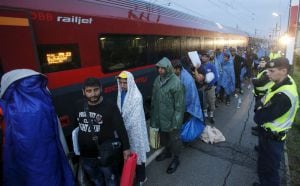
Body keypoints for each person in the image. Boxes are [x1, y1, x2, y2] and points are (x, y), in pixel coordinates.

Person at [1, 69, 74, 186]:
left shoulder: (8, 105)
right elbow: (57, 131)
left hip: (26, 164)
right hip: (51, 161)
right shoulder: (43, 97)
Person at [74, 77, 130, 185]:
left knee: (111, 180)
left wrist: (126, 148)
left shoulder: (110, 106)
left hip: (106, 155)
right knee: (96, 180)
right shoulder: (78, 105)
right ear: (83, 92)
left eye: (95, 90)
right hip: (86, 156)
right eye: (89, 91)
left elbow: (120, 128)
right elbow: (76, 127)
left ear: (101, 89)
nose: (93, 94)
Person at [253, 57, 299, 186]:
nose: (268, 73)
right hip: (267, 135)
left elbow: (258, 117)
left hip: (273, 140)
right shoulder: (284, 82)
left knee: (270, 170)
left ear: (283, 71)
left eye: (271, 70)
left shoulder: (284, 95)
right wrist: (261, 105)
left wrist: (260, 106)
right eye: (267, 70)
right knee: (263, 165)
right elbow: (262, 101)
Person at [150, 57, 185, 174]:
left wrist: (176, 122)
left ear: (168, 68)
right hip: (160, 117)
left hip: (171, 119)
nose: (160, 70)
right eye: (158, 68)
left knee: (175, 139)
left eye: (162, 68)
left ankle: (176, 158)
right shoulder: (157, 80)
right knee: (164, 137)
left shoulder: (176, 83)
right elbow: (154, 99)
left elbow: (180, 106)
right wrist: (153, 116)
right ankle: (167, 151)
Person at [116, 71, 150, 185]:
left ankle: (142, 177)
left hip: (135, 131)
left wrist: (122, 125)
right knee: (129, 153)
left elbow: (134, 118)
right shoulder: (120, 93)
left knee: (138, 153)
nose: (122, 85)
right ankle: (132, 174)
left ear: (130, 82)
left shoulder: (136, 96)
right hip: (124, 129)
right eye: (120, 83)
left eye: (125, 83)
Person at [251, 56, 274, 136]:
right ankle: (258, 127)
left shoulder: (268, 72)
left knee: (261, 112)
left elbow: (260, 82)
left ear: (267, 63)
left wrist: (253, 80)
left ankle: (260, 130)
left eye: (263, 62)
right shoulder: (262, 70)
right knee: (258, 111)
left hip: (263, 95)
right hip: (259, 94)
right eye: (260, 62)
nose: (261, 63)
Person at [199, 51, 218, 124]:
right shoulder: (200, 66)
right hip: (202, 87)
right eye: (202, 56)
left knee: (211, 101)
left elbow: (216, 77)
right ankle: (205, 115)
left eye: (205, 56)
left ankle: (211, 116)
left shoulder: (212, 66)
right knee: (204, 102)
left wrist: (209, 85)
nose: (203, 58)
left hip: (210, 87)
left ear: (208, 58)